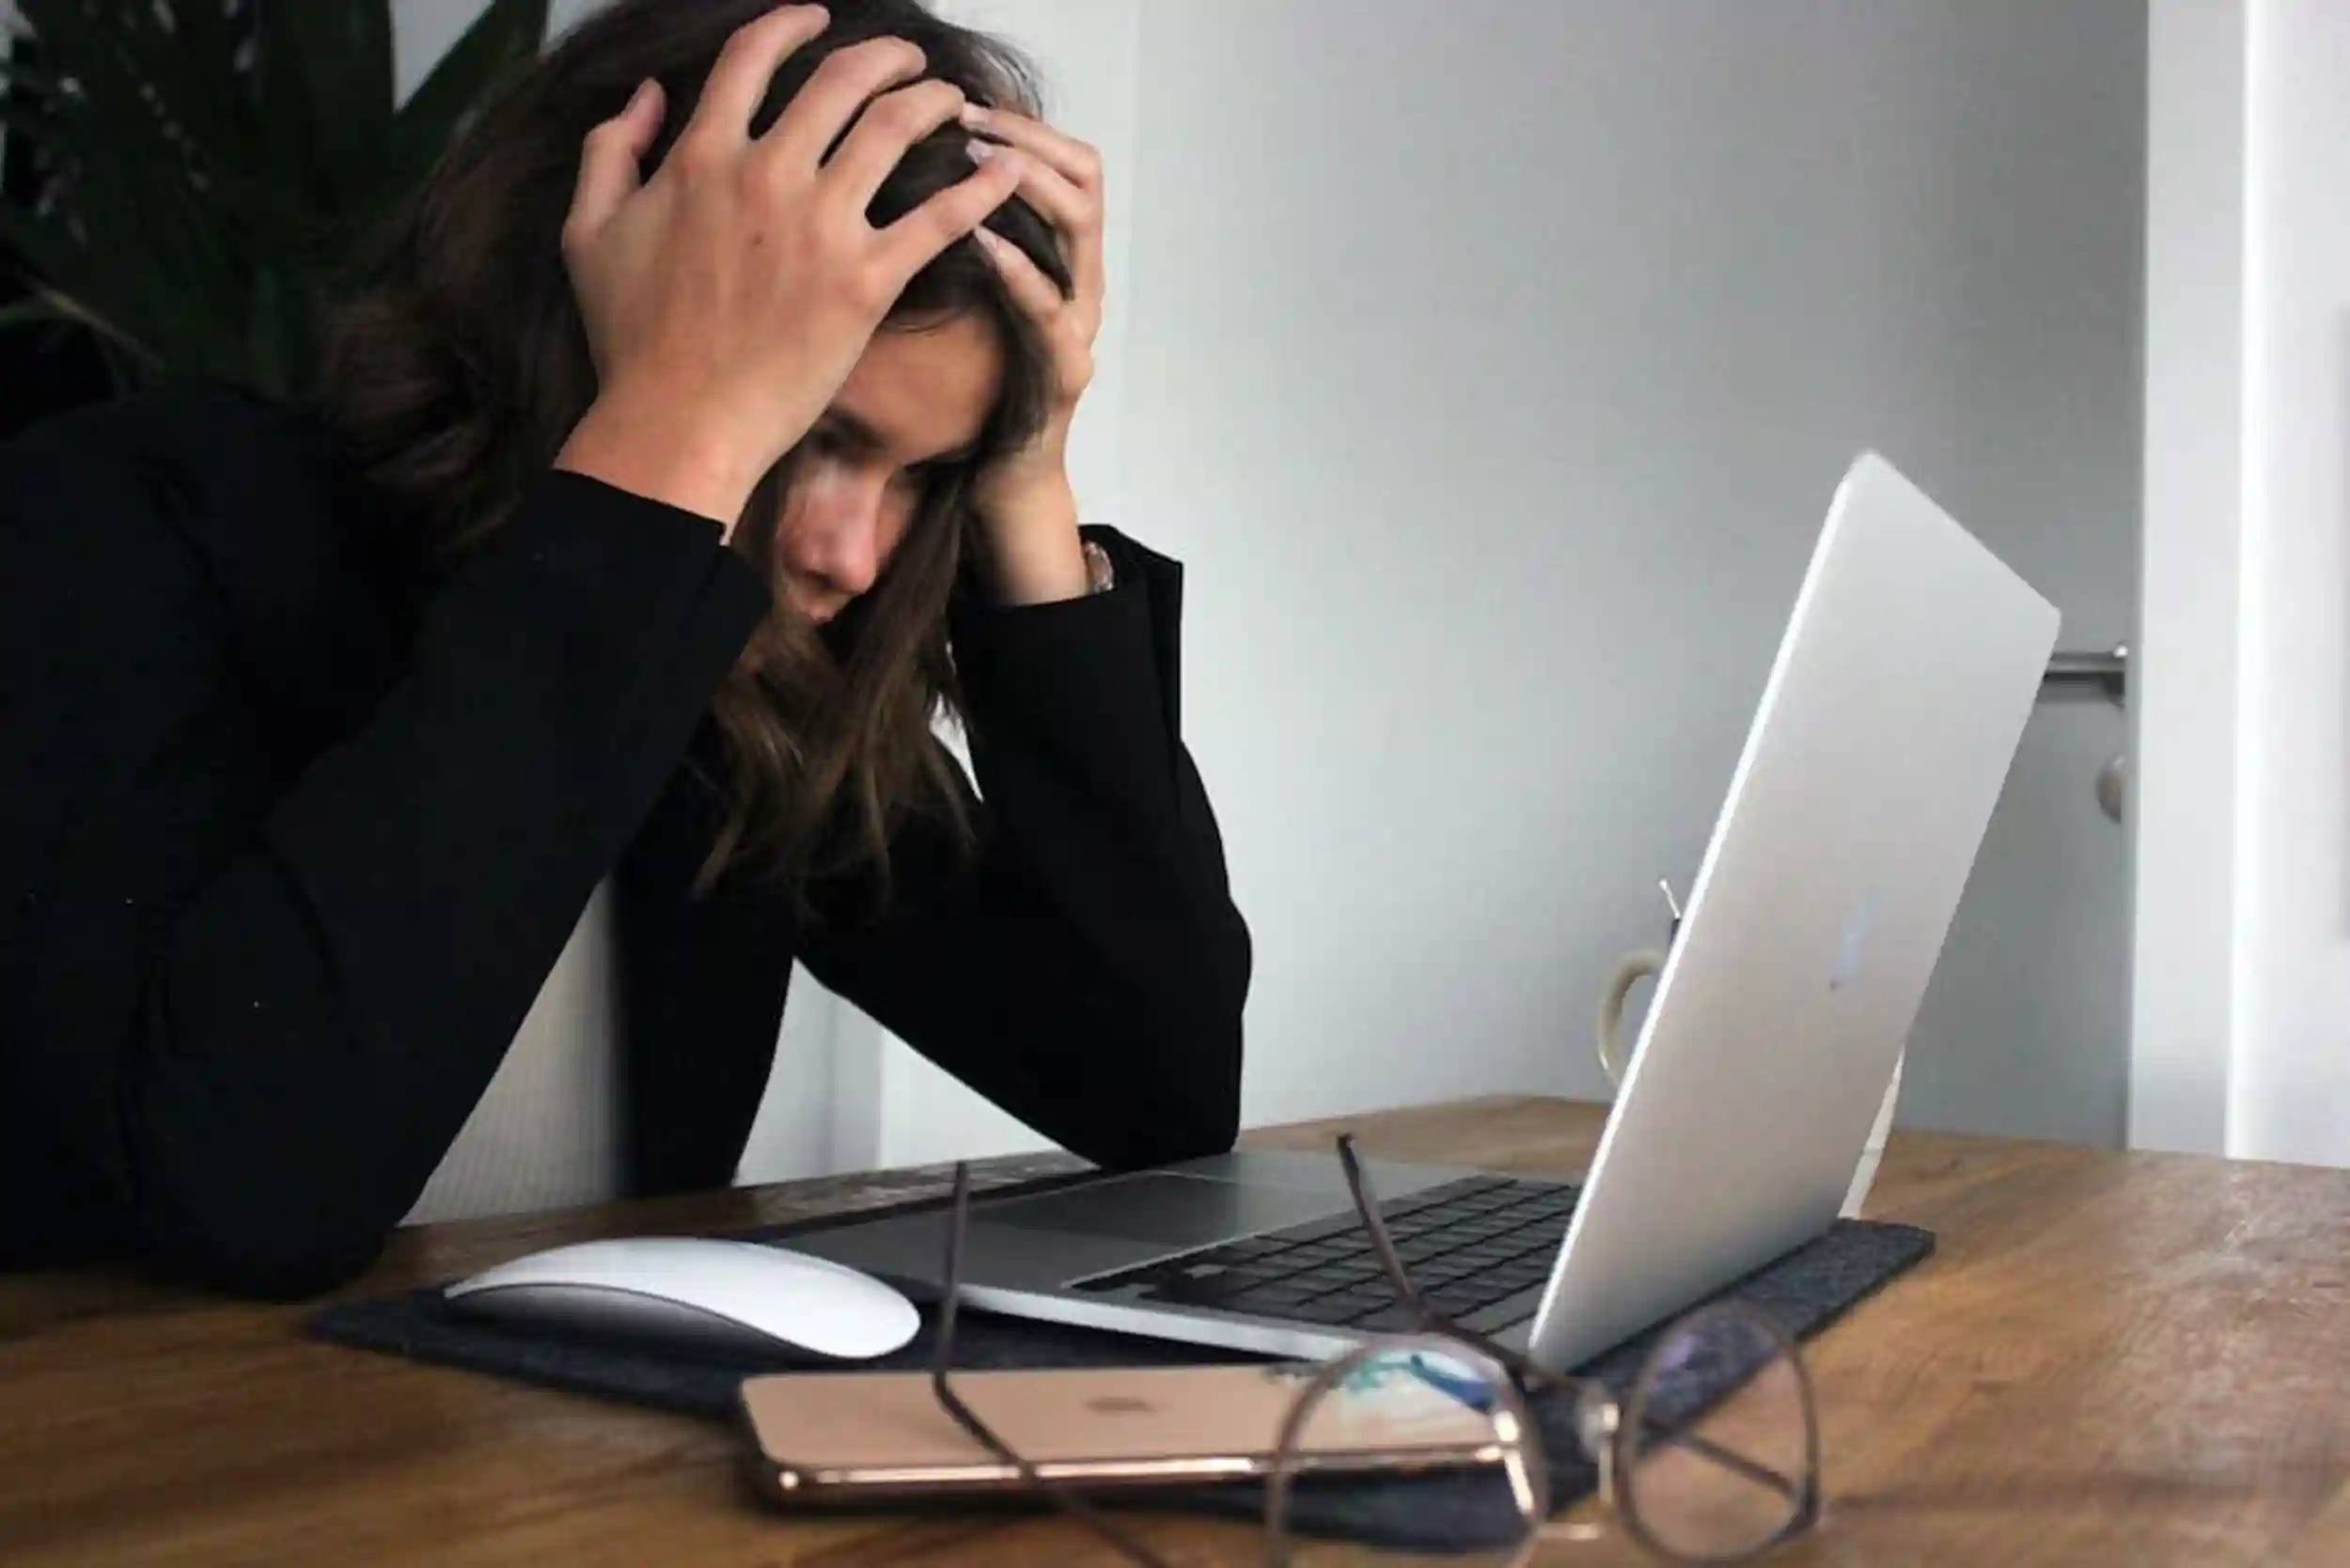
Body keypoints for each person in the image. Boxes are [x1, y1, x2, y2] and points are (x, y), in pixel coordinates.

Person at [0, 0, 1250, 1298]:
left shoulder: (738, 687)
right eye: (813, 433)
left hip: (556, 1435)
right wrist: (671, 435)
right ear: (577, 311)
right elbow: (252, 1190)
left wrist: (1024, 480)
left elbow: (1157, 1090)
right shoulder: (118, 526)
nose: (851, 557)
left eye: (922, 476)